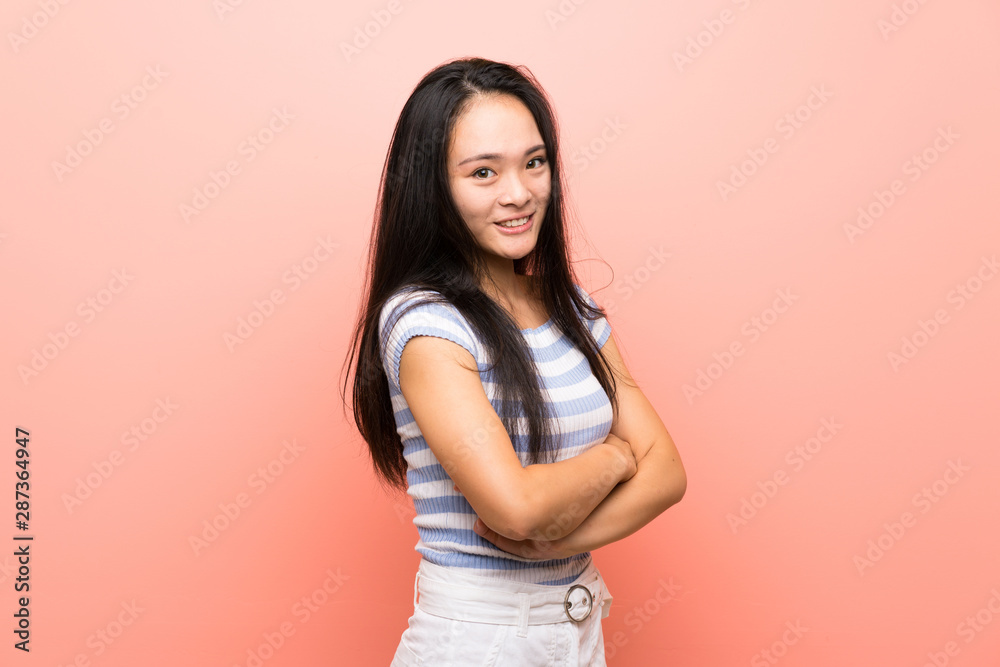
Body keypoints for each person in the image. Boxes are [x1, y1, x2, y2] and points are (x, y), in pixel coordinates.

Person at [342, 56, 687, 665]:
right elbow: (515, 508)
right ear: (433, 187)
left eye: (534, 162)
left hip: (577, 627)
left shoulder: (569, 304)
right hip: (480, 638)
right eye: (483, 173)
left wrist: (557, 537)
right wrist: (615, 455)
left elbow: (668, 476)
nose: (519, 193)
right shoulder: (427, 325)